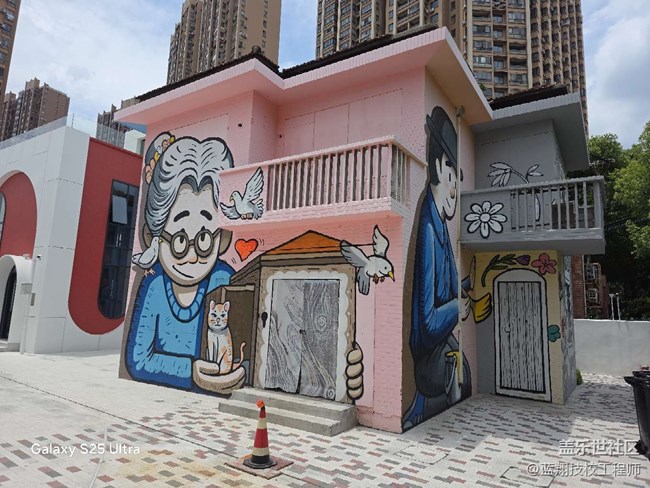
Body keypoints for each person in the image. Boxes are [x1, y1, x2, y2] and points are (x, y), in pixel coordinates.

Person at [125, 134, 235, 390]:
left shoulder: (224, 280)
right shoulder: (154, 284)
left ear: (222, 238)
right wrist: (192, 371)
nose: (193, 255)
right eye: (180, 241)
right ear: (153, 238)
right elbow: (139, 360)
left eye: (204, 239)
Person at [403, 107, 472, 429]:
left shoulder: (443, 226)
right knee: (460, 374)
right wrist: (458, 306)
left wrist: (465, 292)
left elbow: (454, 288)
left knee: (464, 376)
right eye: (452, 176)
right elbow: (428, 323)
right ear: (439, 166)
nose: (455, 190)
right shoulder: (429, 226)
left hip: (440, 351)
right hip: (427, 362)